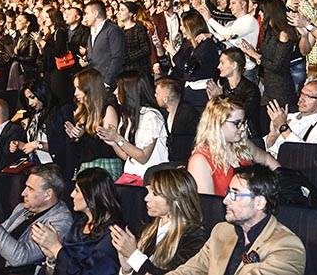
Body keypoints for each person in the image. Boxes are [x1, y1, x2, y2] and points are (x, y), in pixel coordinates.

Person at [163, 164, 306, 275]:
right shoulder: (222, 231)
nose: (225, 200)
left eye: (235, 194)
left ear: (259, 203)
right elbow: (191, 270)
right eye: (228, 192)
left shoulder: (287, 247)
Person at [109, 167, 208, 275]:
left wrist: (134, 256)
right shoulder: (148, 231)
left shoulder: (194, 238)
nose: (146, 198)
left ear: (175, 199)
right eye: (148, 192)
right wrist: (127, 270)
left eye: (155, 194)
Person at [30, 167, 122, 275]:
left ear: (92, 194)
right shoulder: (79, 224)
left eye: (77, 190)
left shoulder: (113, 233)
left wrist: (56, 248)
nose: (72, 194)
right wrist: (52, 259)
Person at [187, 97, 279, 196]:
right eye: (237, 123)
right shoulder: (200, 160)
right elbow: (208, 206)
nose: (243, 128)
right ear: (217, 123)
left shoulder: (243, 146)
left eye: (243, 123)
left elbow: (267, 160)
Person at [99, 70, 168, 185]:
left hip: (150, 180)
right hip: (131, 176)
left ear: (129, 91)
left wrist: (117, 139)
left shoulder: (151, 116)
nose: (115, 92)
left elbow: (143, 157)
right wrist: (113, 142)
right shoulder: (128, 116)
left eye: (119, 88)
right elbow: (127, 156)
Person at [237, 0, 298, 110]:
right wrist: (251, 52)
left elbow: (277, 66)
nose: (259, 14)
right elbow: (264, 59)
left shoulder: (283, 34)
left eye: (262, 11)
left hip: (280, 89)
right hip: (268, 86)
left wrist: (254, 54)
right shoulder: (270, 32)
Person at [65, 68, 123, 179]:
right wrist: (76, 138)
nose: (75, 93)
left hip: (105, 167)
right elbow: (79, 153)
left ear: (89, 88)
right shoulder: (82, 112)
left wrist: (83, 136)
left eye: (78, 88)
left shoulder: (107, 110)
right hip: (86, 166)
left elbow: (108, 147)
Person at [264, 80, 317, 158]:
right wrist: (272, 136)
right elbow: (261, 149)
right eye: (302, 94)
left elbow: (312, 157)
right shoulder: (289, 117)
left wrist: (284, 128)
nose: (301, 99)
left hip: (288, 167)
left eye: (308, 96)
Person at [198, 0, 260, 80]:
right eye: (230, 3)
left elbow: (228, 35)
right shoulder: (235, 22)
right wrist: (209, 30)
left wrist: (210, 19)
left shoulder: (249, 20)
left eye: (233, 3)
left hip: (247, 70)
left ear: (243, 4)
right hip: (236, 68)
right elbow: (223, 38)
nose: (230, 6)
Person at [207, 47, 261, 137]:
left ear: (234, 65)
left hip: (248, 137)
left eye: (222, 63)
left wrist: (220, 98)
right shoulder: (223, 85)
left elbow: (240, 115)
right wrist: (213, 101)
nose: (218, 66)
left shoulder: (251, 89)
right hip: (226, 135)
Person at [11, 79, 66, 164]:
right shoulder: (34, 115)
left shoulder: (58, 113)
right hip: (38, 166)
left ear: (41, 93)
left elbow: (62, 145)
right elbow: (30, 145)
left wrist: (37, 145)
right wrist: (21, 145)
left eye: (32, 97)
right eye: (27, 99)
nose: (30, 103)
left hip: (56, 167)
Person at [154, 77, 199, 165]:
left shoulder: (188, 113)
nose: (155, 95)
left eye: (157, 93)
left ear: (165, 98)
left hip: (186, 162)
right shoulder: (163, 113)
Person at [83, 0, 126, 87]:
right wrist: (86, 61)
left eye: (87, 13)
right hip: (94, 81)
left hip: (108, 84)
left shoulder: (112, 30)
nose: (85, 17)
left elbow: (118, 57)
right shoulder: (91, 33)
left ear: (95, 13)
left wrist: (107, 81)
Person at [118, 1, 152, 75]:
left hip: (139, 70)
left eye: (122, 10)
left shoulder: (139, 28)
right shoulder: (120, 31)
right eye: (119, 9)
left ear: (130, 13)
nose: (119, 12)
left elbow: (145, 50)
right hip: (125, 70)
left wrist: (127, 57)